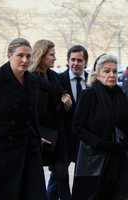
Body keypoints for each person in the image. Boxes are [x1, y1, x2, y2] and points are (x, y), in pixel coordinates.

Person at [71, 54, 128, 200]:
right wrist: (100, 143)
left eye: (114, 71)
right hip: (94, 157)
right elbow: (77, 127)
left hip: (119, 155)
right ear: (97, 74)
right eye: (106, 71)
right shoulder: (89, 95)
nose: (111, 75)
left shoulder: (121, 95)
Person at [0, 38, 47, 199]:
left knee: (34, 194)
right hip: (2, 153)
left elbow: (32, 114)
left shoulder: (33, 81)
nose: (25, 60)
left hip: (29, 148)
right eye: (20, 55)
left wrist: (37, 137)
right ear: (9, 55)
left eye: (28, 56)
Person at [29, 39, 72, 199]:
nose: (55, 58)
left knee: (62, 175)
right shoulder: (30, 79)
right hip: (38, 134)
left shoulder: (54, 77)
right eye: (52, 55)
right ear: (41, 56)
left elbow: (60, 104)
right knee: (35, 179)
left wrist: (67, 104)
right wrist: (35, 135)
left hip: (57, 134)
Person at [46, 45, 89, 200]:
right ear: (68, 61)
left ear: (86, 62)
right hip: (63, 138)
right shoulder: (58, 80)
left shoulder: (92, 82)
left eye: (79, 60)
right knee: (58, 179)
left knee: (83, 179)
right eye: (72, 59)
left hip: (84, 140)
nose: (75, 63)